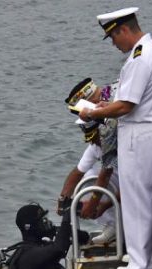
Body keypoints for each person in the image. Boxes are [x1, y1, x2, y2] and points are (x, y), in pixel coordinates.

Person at [79, 7, 152, 269]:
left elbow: (127, 105)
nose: (114, 45)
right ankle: (143, 262)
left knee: (139, 203)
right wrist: (105, 106)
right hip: (148, 131)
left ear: (123, 30)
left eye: (114, 38)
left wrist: (93, 113)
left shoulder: (140, 58)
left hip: (139, 135)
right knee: (147, 201)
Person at [60, 77, 121, 244]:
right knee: (89, 177)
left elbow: (110, 174)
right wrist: (63, 200)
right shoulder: (101, 135)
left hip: (145, 168)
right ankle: (113, 226)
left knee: (99, 183)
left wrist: (100, 204)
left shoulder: (114, 125)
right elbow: (77, 172)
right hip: (127, 175)